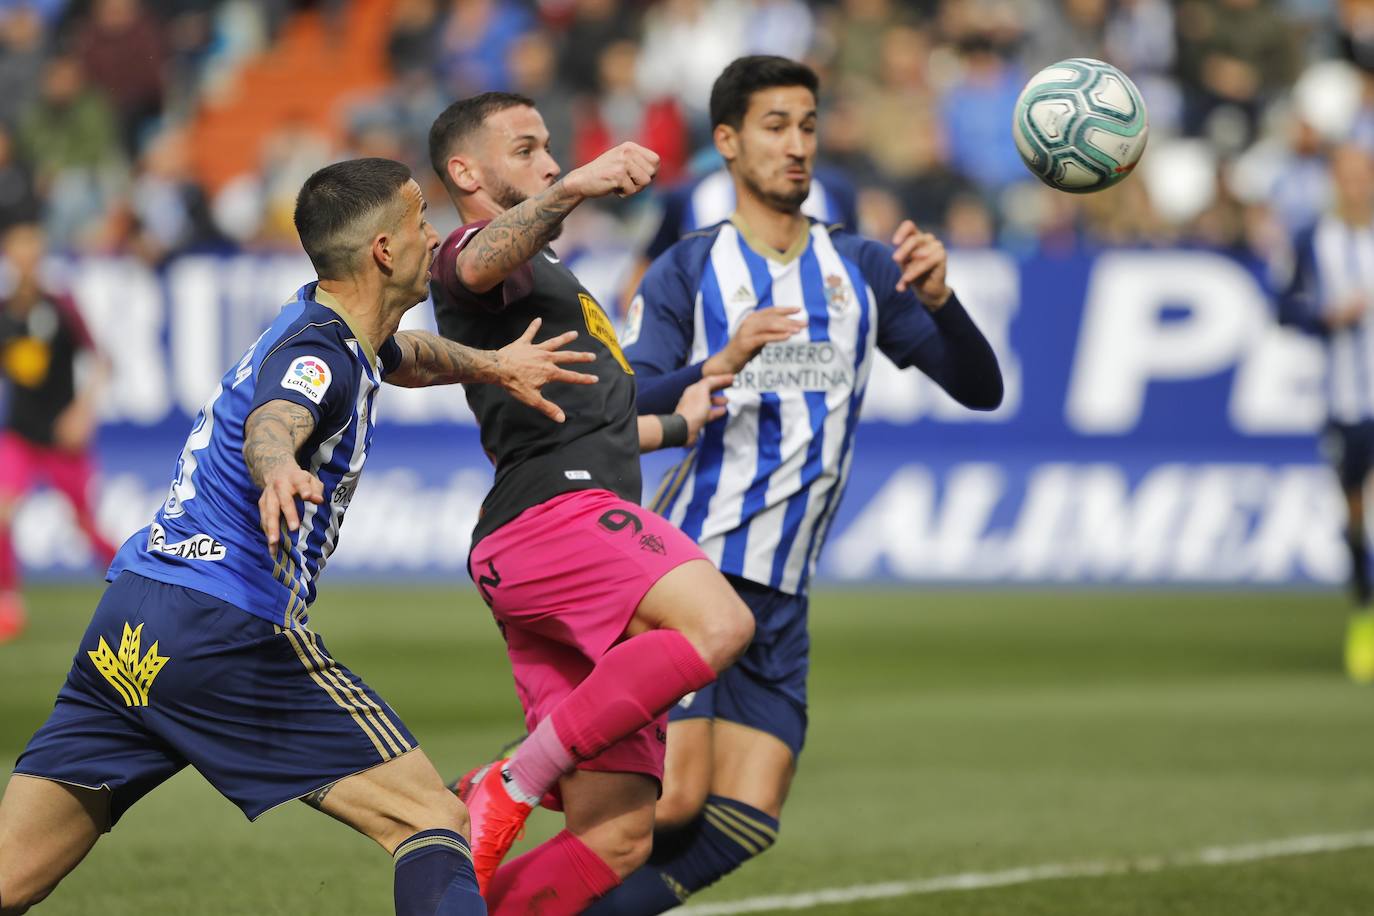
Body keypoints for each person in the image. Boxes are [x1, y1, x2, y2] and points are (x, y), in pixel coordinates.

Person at [0, 156, 598, 915]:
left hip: (134, 616)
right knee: (432, 819)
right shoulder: (316, 354)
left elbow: (399, 356)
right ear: (385, 250)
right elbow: (278, 416)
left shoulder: (328, 322)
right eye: (420, 220)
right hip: (222, 626)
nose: (433, 232)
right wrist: (277, 465)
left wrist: (492, 364)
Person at [587, 56, 1004, 914]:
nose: (798, 145)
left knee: (746, 816)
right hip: (689, 573)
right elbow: (620, 400)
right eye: (776, 126)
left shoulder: (863, 269)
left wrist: (944, 300)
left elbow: (980, 388)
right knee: (671, 804)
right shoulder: (688, 271)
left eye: (809, 125)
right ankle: (499, 805)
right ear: (729, 144)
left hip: (784, 587)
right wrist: (720, 362)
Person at [425, 92, 756, 913]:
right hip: (554, 522)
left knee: (617, 837)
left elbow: (595, 423)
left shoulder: (550, 281)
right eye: (528, 148)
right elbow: (473, 265)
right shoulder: (471, 255)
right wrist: (574, 186)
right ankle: (513, 778)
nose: (545, 160)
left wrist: (682, 418)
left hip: (551, 532)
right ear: (465, 171)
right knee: (718, 624)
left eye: (551, 149)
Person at [1277, 143, 1374, 683]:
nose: (1356, 185)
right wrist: (1326, 316)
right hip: (1345, 400)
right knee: (1354, 513)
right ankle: (1364, 612)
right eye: (1347, 176)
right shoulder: (1315, 239)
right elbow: (1285, 306)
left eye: (1363, 175)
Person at [0, 222, 117, 642]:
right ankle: (7, 603)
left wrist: (81, 414)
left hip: (62, 439)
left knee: (85, 524)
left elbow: (104, 361)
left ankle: (132, 585)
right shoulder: (5, 311)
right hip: (20, 436)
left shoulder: (61, 305)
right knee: (2, 513)